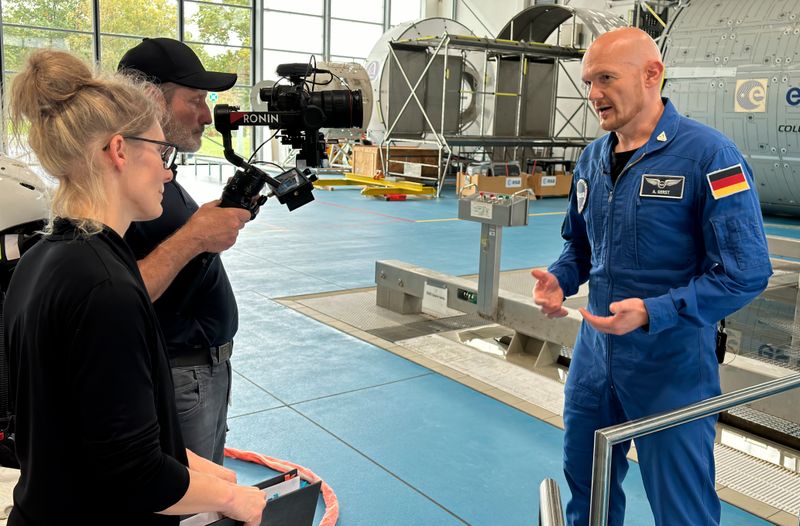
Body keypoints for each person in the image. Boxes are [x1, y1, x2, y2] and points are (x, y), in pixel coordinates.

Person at [2, 49, 265, 526]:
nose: (167, 171)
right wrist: (236, 501)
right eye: (161, 152)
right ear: (120, 150)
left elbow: (80, 430)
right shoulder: (107, 288)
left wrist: (211, 476)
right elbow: (135, 475)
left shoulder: (44, 257)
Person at [531, 27, 772, 526]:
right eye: (588, 81)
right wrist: (560, 277)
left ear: (651, 75)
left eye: (606, 78)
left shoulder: (710, 157)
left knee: (681, 510)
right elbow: (579, 245)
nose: (593, 94)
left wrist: (654, 312)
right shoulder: (593, 159)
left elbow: (746, 271)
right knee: (588, 495)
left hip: (672, 365)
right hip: (594, 362)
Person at [117, 37, 252, 465]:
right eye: (194, 100)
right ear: (151, 99)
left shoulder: (157, 175)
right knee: (184, 503)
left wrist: (209, 231)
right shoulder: (117, 185)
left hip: (201, 371)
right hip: (178, 373)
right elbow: (116, 295)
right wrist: (195, 236)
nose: (207, 116)